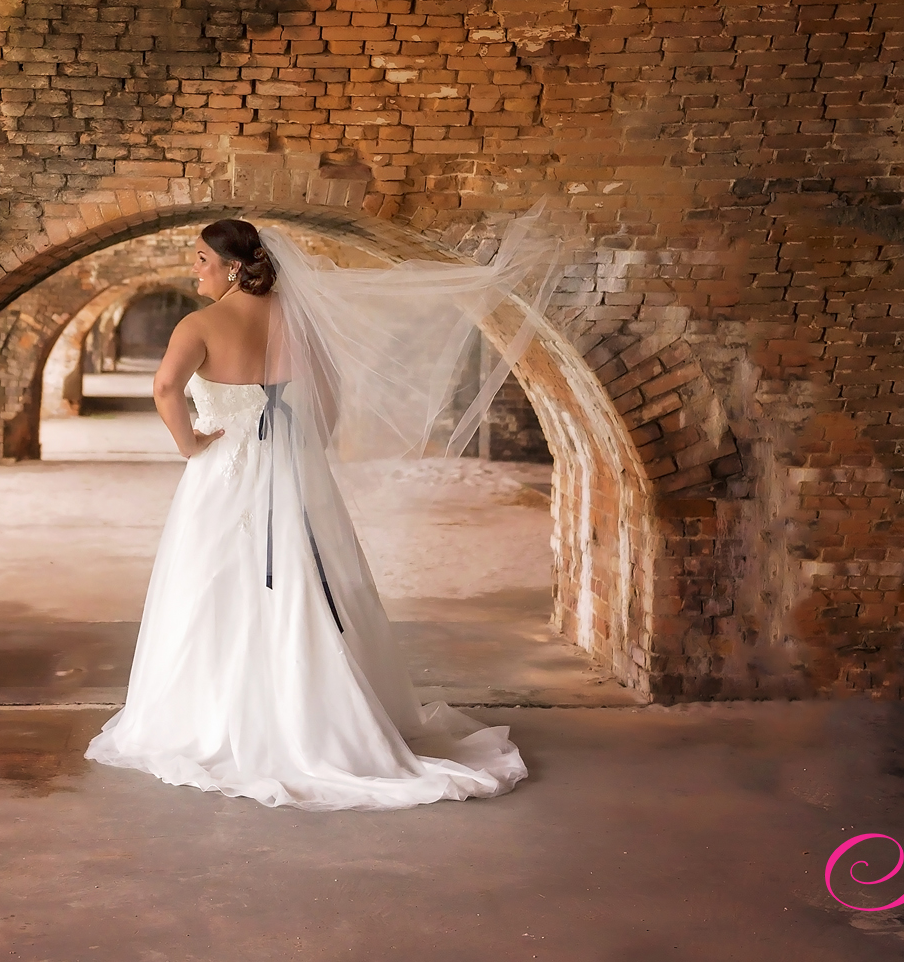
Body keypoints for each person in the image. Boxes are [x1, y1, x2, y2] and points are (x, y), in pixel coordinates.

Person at [83, 215, 561, 810]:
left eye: (201, 260)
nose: (194, 269)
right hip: (294, 469)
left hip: (223, 473)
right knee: (307, 580)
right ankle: (322, 714)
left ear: (232, 267)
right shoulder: (294, 318)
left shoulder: (199, 325)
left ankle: (214, 716)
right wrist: (306, 445)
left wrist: (190, 446)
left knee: (210, 583)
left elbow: (164, 389)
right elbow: (331, 391)